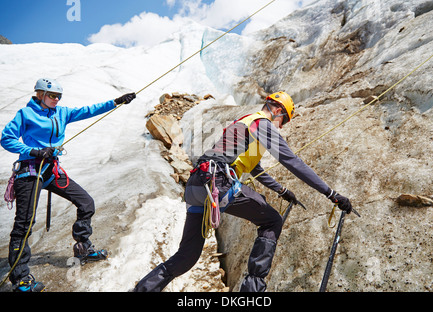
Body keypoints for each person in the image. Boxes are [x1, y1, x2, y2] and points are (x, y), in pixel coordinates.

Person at [133, 91, 352, 292]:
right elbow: (291, 161)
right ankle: (251, 293)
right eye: (283, 121)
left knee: (186, 256)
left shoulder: (246, 123)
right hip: (217, 182)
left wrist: (282, 190)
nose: (281, 127)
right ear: (277, 111)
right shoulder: (262, 124)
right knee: (271, 221)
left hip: (197, 185)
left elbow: (254, 167)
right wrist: (331, 194)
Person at [1, 78, 136, 292]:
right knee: (24, 225)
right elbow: (6, 138)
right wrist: (34, 151)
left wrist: (117, 102)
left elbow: (88, 110)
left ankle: (83, 247)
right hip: (29, 171)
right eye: (52, 95)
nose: (56, 99)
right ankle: (21, 280)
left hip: (51, 171)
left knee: (86, 203)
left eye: (59, 96)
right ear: (40, 94)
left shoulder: (62, 113)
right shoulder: (25, 114)